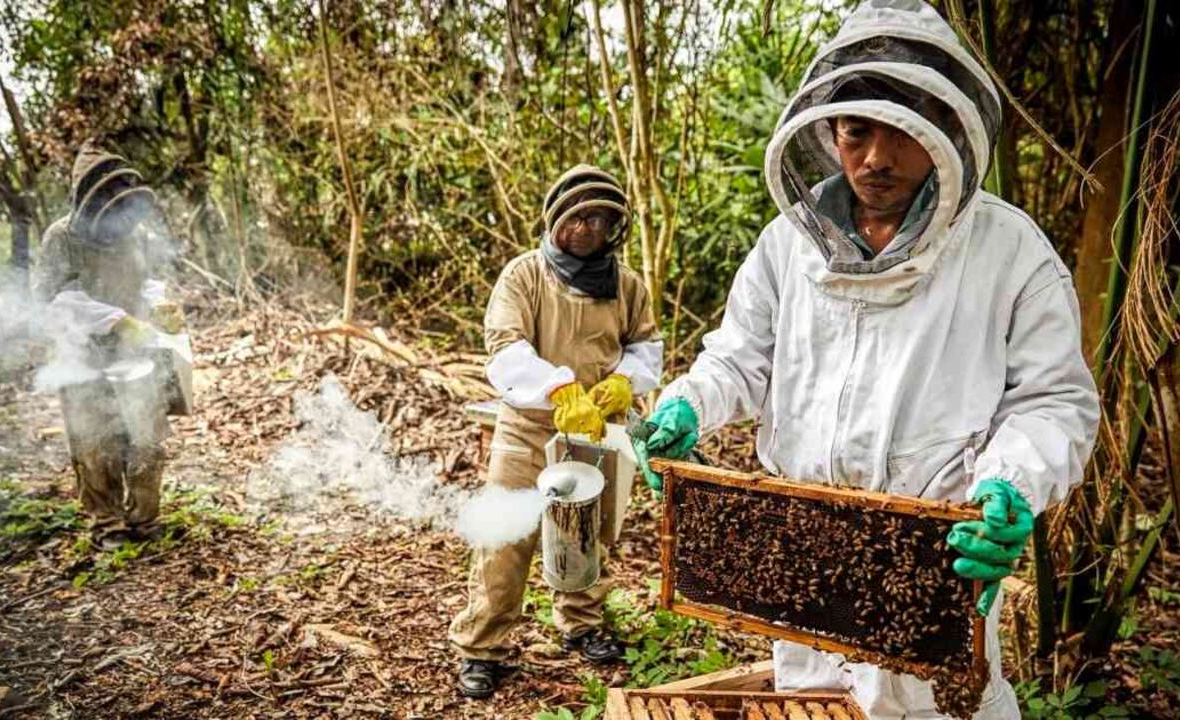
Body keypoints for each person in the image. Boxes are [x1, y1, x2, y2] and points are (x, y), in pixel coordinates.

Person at [637, 1, 1099, 718]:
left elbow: (1053, 402)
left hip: (933, 564)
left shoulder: (1010, 251)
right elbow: (739, 357)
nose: (876, 158)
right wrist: (689, 401)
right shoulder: (786, 243)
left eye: (902, 134)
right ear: (829, 131)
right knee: (815, 703)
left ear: (946, 133)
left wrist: (1011, 484)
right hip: (803, 567)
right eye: (857, 131)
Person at [449, 164, 663, 699]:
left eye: (603, 219)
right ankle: (483, 645)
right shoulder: (524, 276)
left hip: (596, 433)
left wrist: (622, 383)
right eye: (582, 217)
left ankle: (583, 624)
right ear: (556, 219)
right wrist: (557, 390)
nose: (591, 228)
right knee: (505, 537)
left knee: (585, 531)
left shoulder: (628, 285)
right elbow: (505, 348)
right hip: (527, 430)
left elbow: (645, 348)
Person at [34, 145, 190, 550]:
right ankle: (107, 523)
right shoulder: (61, 237)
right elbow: (55, 299)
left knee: (145, 435)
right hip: (81, 354)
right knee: (95, 439)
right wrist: (117, 320)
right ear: (89, 195)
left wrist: (161, 306)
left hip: (134, 353)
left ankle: (144, 518)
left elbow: (147, 281)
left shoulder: (133, 236)